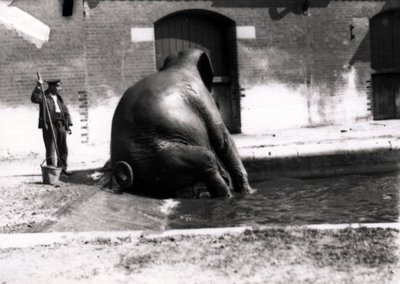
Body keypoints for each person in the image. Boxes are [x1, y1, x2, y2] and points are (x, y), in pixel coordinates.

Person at [31, 79, 73, 176]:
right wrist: (38, 87)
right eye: (57, 86)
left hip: (61, 124)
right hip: (49, 125)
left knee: (63, 148)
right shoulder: (44, 96)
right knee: (50, 149)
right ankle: (52, 171)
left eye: (59, 86)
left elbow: (65, 111)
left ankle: (62, 169)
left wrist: (68, 124)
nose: (59, 88)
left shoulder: (59, 97)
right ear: (51, 87)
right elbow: (34, 99)